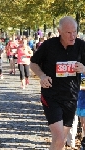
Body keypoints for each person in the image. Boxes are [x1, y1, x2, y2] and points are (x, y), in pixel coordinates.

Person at [30, 16, 85, 150]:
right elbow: (33, 63)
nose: (73, 36)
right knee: (59, 138)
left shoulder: (81, 46)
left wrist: (84, 69)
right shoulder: (49, 45)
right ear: (59, 31)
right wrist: (42, 76)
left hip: (71, 98)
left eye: (75, 32)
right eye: (68, 32)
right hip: (51, 95)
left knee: (59, 142)